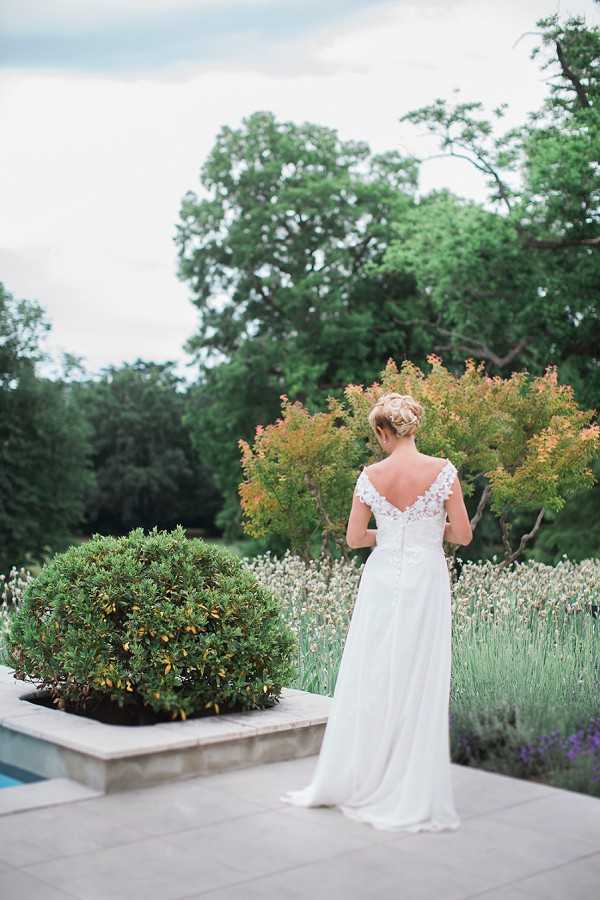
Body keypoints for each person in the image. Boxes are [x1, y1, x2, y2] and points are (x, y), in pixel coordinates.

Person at [280, 392, 472, 832]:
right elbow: (461, 534)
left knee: (374, 672)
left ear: (385, 432)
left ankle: (364, 771)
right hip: (426, 576)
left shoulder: (370, 475)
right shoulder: (443, 472)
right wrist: (426, 528)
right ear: (414, 427)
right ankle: (407, 781)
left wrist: (389, 531)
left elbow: (352, 539)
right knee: (418, 673)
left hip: (383, 577)